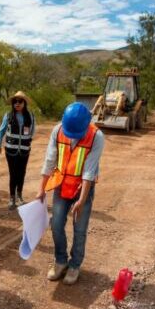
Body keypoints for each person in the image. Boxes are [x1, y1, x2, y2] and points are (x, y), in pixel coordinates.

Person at [36, 103, 104, 286]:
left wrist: (82, 200)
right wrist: (41, 189)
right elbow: (50, 160)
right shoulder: (58, 130)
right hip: (61, 185)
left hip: (83, 188)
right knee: (56, 224)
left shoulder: (97, 136)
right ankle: (60, 261)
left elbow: (90, 171)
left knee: (79, 229)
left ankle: (75, 265)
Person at [0, 91, 35, 209]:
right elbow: (1, 131)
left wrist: (26, 142)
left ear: (24, 103)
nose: (17, 104)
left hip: (24, 150)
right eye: (15, 102)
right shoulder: (8, 116)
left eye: (20, 102)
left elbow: (32, 131)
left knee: (22, 173)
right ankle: (12, 198)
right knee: (13, 174)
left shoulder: (31, 116)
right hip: (10, 150)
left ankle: (20, 196)